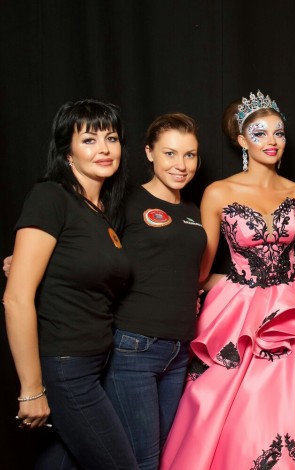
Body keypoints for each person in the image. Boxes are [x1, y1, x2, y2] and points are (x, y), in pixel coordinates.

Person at [159, 91, 295, 469]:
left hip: (293, 309)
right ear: (242, 141)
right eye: (260, 133)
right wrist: (232, 283)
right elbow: (201, 270)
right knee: (236, 407)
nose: (272, 141)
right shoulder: (219, 193)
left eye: (279, 132)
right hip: (239, 311)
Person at [3, 98, 139, 469]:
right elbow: (16, 298)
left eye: (111, 138)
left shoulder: (102, 213)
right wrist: (32, 388)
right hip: (66, 366)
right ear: (68, 152)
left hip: (95, 363)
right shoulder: (51, 196)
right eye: (89, 140)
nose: (104, 149)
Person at [103, 113, 207, 470]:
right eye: (170, 153)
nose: (181, 165)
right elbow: (87, 249)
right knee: (143, 461)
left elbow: (192, 274)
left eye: (190, 155)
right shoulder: (126, 201)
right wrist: (31, 259)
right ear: (149, 153)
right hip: (135, 346)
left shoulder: (193, 211)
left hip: (179, 351)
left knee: (166, 456)